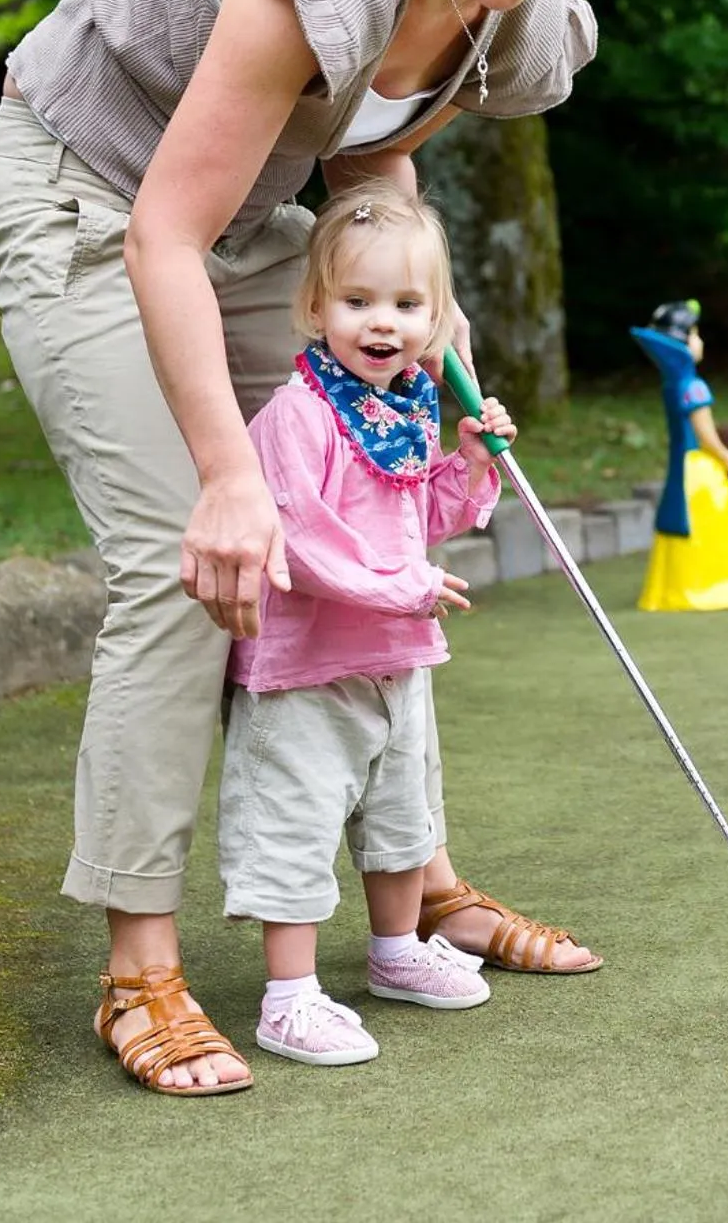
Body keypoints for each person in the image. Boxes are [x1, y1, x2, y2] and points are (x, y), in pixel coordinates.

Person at [0, 0, 645, 1095]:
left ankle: (419, 893)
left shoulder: (518, 17)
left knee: (378, 499)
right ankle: (141, 972)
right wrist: (231, 476)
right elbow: (165, 229)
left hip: (248, 212)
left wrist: (431, 348)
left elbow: (365, 156)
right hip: (95, 198)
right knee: (190, 562)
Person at [219, 186, 533, 1068]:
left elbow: (417, 518)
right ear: (315, 307)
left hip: (396, 657)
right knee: (299, 820)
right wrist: (405, 588)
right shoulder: (299, 415)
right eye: (358, 302)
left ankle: (396, 953)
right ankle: (287, 999)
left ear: (436, 320)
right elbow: (306, 540)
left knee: (404, 816)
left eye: (407, 305)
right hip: (307, 668)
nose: (383, 323)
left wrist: (468, 460)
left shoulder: (402, 410)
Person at [629, 301, 728, 611]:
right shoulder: (692, 386)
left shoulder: (673, 384)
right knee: (713, 526)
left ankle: (681, 587)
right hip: (698, 469)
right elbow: (705, 432)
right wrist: (725, 454)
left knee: (688, 523)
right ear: (682, 342)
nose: (700, 341)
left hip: (682, 467)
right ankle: (723, 586)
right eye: (695, 335)